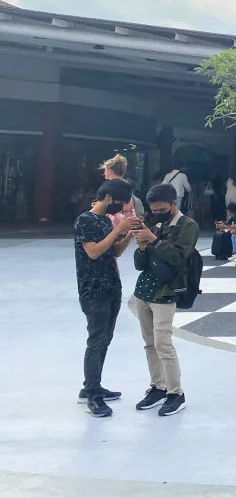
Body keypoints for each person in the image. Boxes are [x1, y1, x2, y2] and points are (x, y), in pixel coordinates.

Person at [130, 182, 199, 417]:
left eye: (161, 208)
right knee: (149, 343)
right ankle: (157, 387)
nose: (156, 213)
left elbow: (178, 257)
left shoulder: (187, 226)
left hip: (166, 292)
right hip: (144, 291)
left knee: (163, 343)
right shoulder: (152, 223)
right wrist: (141, 247)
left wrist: (154, 240)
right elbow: (140, 264)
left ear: (173, 203)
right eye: (153, 209)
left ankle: (175, 393)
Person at [74, 179, 137, 417]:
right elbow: (93, 252)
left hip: (111, 286)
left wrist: (129, 233)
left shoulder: (104, 221)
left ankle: (92, 386)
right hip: (94, 290)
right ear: (109, 197)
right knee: (97, 340)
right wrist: (118, 230)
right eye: (121, 204)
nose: (121, 209)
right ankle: (92, 394)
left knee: (105, 338)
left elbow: (114, 253)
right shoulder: (85, 220)